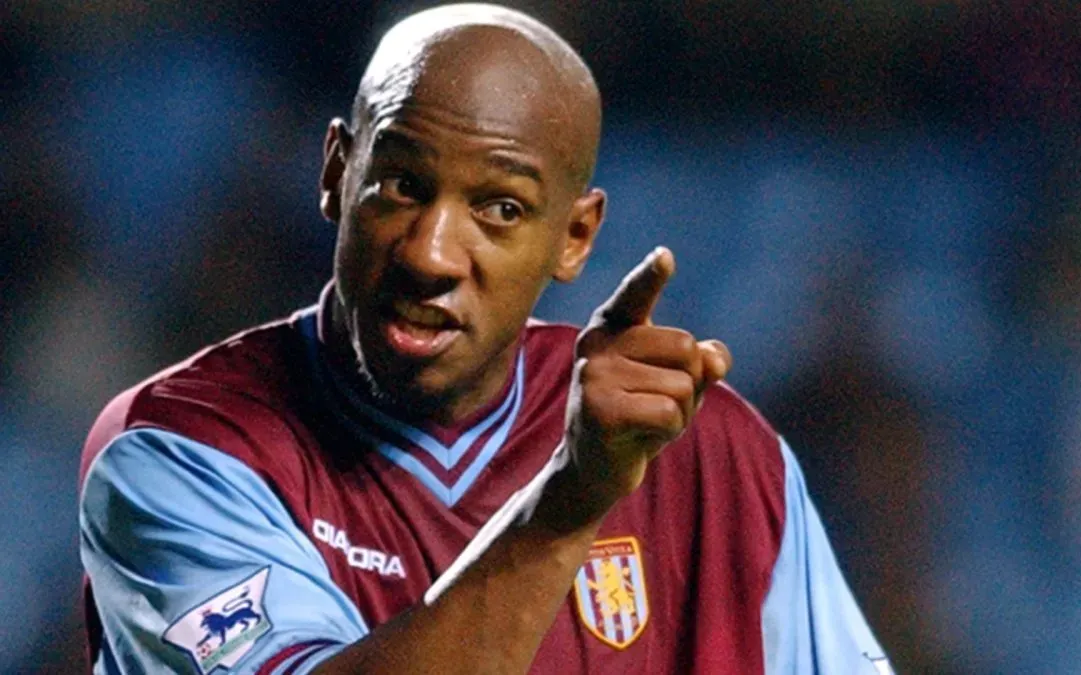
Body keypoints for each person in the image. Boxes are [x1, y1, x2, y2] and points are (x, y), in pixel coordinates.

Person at [78, 4, 888, 673]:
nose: (431, 253)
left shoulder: (710, 457)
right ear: (335, 173)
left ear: (573, 238)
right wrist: (568, 511)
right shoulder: (178, 449)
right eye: (401, 185)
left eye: (499, 207)